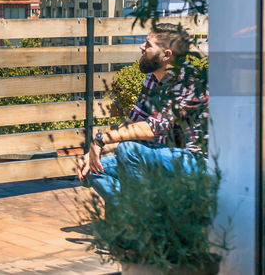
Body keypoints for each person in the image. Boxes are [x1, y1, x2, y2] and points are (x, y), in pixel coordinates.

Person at [78, 23, 209, 201]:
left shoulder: (188, 82)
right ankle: (137, 208)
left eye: (148, 44)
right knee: (91, 169)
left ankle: (142, 212)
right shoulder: (152, 79)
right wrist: (92, 154)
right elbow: (132, 123)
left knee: (129, 149)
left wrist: (100, 140)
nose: (141, 47)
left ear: (166, 55)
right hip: (160, 157)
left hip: (194, 162)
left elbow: (151, 129)